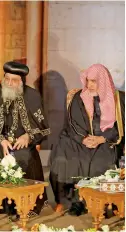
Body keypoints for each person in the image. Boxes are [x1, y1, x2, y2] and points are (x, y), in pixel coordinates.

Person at [0, 61, 50, 219]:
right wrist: (0, 139)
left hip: (21, 142)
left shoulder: (32, 95)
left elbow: (42, 127)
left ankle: (22, 204)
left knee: (23, 156)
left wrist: (28, 136)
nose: (10, 83)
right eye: (7, 79)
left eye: (14, 80)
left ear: (22, 81)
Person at [49, 64, 125, 216]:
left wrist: (102, 138)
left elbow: (121, 125)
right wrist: (83, 139)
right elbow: (72, 123)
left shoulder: (118, 99)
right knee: (64, 153)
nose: (89, 85)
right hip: (81, 140)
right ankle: (69, 201)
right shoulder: (79, 97)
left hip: (106, 142)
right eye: (88, 81)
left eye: (94, 81)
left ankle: (100, 202)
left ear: (102, 82)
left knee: (99, 160)